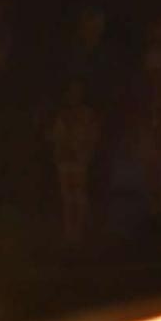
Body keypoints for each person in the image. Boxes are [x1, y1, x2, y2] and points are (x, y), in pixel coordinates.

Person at [49, 80, 100, 245]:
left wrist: (86, 152)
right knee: (67, 198)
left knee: (79, 196)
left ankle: (80, 232)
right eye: (72, 92)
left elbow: (93, 136)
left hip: (80, 161)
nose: (74, 96)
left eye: (77, 92)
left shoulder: (88, 115)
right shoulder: (62, 115)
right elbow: (56, 138)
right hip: (65, 161)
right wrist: (60, 152)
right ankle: (70, 234)